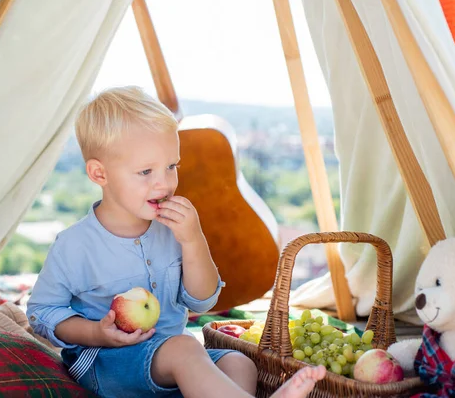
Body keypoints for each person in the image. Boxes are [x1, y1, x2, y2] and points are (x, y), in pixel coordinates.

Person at [27, 86, 326, 397]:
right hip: (105, 363)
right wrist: (96, 333)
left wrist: (193, 241)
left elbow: (203, 300)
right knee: (184, 348)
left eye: (172, 166)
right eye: (146, 171)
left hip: (171, 362)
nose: (165, 182)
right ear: (99, 174)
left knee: (238, 363)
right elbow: (42, 312)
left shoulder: (174, 228)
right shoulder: (75, 245)